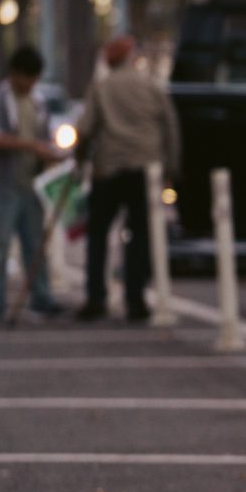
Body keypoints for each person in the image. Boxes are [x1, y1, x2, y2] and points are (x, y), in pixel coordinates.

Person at [75, 35, 181, 323]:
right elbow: (170, 127)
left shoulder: (101, 87)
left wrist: (79, 160)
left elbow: (85, 129)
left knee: (97, 235)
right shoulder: (152, 87)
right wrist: (171, 168)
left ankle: (96, 297)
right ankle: (136, 300)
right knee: (140, 236)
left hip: (108, 170)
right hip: (145, 169)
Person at [0, 46, 64, 321]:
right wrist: (32, 147)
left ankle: (42, 295)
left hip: (31, 184)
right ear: (15, 74)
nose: (32, 84)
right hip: (2, 185)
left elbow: (46, 137)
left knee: (35, 243)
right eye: (28, 78)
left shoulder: (36, 101)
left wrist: (50, 154)